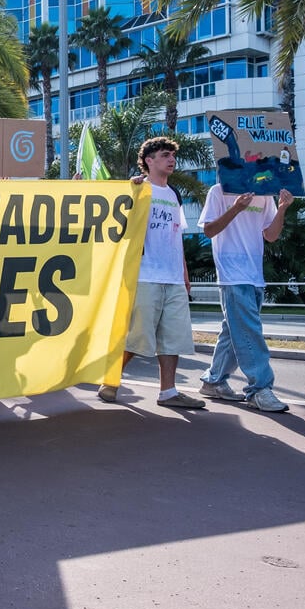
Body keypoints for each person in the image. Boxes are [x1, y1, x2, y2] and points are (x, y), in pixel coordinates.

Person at [98, 138, 205, 409]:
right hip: (144, 276)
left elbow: (175, 234)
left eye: (172, 156)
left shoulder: (174, 194)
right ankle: (110, 380)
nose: (171, 160)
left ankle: (168, 392)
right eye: (165, 155)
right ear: (149, 160)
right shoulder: (137, 189)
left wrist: (184, 272)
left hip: (173, 278)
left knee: (172, 339)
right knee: (137, 337)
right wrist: (129, 189)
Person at [197, 185, 295, 412]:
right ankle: (259, 389)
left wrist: (281, 209)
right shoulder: (218, 191)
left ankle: (214, 381)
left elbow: (270, 235)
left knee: (234, 331)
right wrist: (237, 208)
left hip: (254, 273)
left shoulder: (264, 194)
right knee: (249, 330)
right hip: (231, 274)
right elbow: (209, 230)